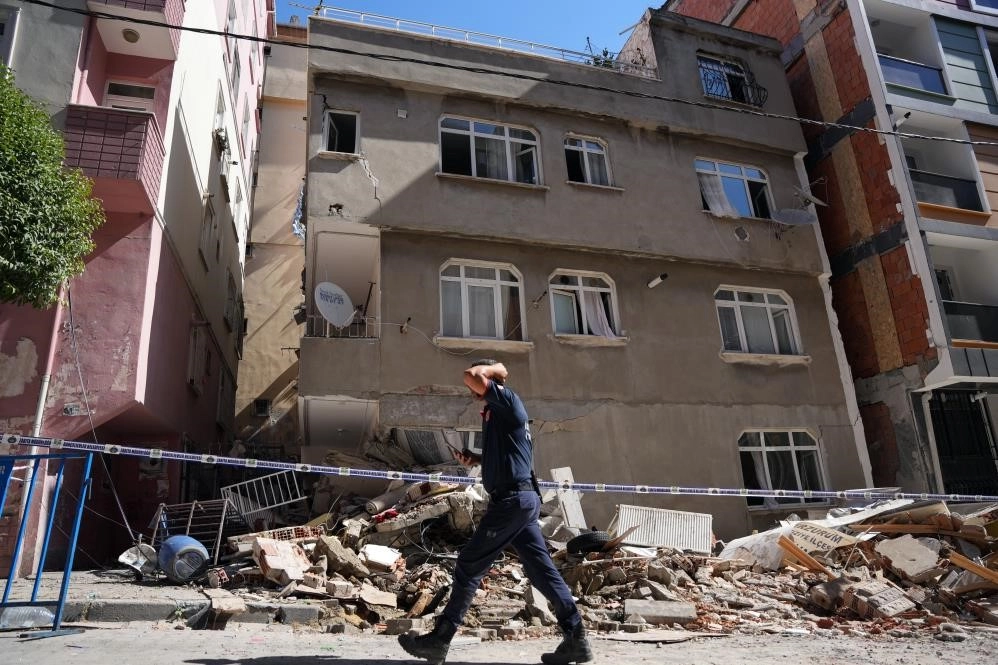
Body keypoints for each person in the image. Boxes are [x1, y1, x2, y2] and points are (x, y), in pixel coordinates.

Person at [398, 360, 593, 665]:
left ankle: (440, 639)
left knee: (469, 564)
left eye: (481, 384)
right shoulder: (498, 413)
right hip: (521, 501)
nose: (472, 390)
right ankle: (576, 638)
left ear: (492, 381)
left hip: (512, 501)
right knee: (541, 571)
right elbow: (509, 455)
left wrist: (493, 368)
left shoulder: (507, 399)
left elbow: (472, 375)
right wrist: (476, 459)